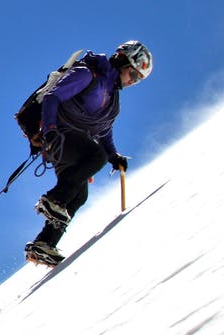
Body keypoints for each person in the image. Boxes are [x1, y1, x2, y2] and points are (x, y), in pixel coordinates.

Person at [26, 40, 153, 266]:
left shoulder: (112, 98)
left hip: (71, 141)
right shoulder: (89, 73)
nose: (133, 82)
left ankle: (44, 244)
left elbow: (104, 131)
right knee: (95, 158)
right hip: (60, 133)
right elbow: (52, 97)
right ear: (124, 61)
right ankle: (53, 199)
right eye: (133, 75)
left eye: (138, 81)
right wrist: (50, 129)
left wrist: (114, 156)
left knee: (79, 194)